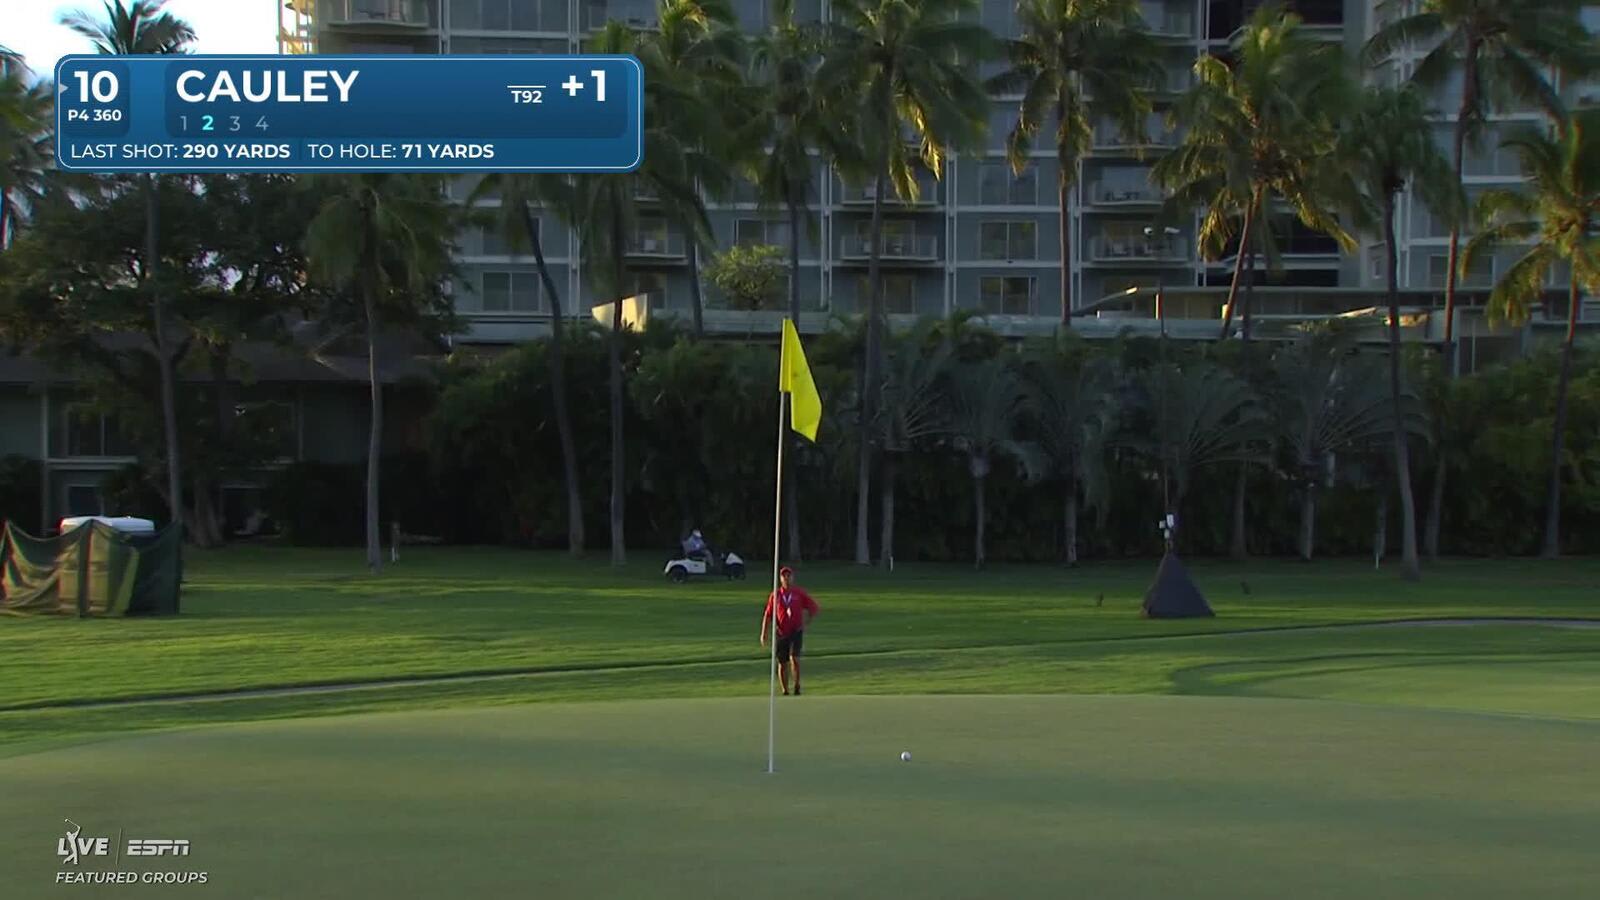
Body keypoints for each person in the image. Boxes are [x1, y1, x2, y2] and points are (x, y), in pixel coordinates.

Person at [759, 566, 819, 696]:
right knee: (782, 662)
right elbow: (768, 615)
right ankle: (785, 690)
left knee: (794, 658)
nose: (786, 578)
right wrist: (764, 633)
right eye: (783, 576)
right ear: (780, 579)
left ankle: (797, 685)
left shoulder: (799, 593)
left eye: (788, 576)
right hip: (781, 632)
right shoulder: (776, 595)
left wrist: (807, 621)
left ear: (792, 577)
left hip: (796, 630)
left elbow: (813, 607)